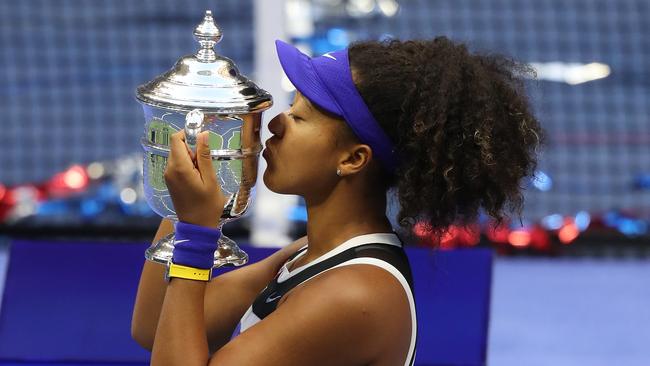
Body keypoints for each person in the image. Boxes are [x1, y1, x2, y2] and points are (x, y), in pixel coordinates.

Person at [131, 37, 545, 365]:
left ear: (353, 159)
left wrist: (199, 231)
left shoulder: (353, 294)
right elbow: (154, 326)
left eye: (299, 116)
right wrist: (184, 190)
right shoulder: (309, 257)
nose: (274, 124)